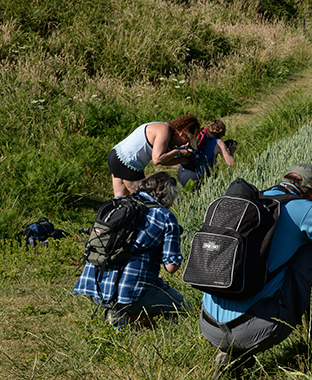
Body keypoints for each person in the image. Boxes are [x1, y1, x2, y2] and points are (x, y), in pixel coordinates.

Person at [199, 163, 312, 375]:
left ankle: (232, 355)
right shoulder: (309, 210)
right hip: (257, 328)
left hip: (209, 327)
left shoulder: (256, 200)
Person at [73, 172, 187, 327]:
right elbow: (171, 267)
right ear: (169, 196)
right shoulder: (165, 217)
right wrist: (177, 247)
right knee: (183, 307)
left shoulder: (118, 202)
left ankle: (117, 313)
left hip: (94, 287)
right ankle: (127, 315)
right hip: (130, 294)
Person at [108, 114, 201, 197]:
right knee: (145, 200)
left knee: (120, 201)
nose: (185, 144)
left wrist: (182, 160)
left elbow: (163, 162)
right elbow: (157, 160)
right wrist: (177, 151)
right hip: (128, 163)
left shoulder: (164, 127)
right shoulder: (165, 131)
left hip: (116, 156)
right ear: (182, 133)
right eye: (187, 141)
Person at [177, 119, 237, 188]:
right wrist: (232, 151)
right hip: (196, 176)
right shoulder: (219, 143)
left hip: (182, 171)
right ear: (222, 133)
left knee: (187, 196)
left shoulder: (199, 136)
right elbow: (231, 163)